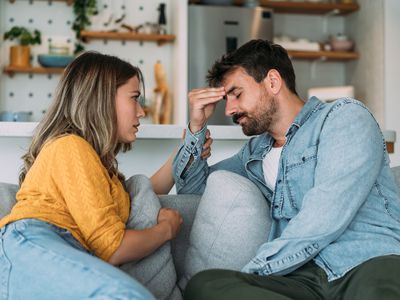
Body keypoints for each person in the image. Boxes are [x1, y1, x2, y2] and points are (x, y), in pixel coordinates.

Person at [172, 39, 400, 299]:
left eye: (236, 94)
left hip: (365, 263)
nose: (230, 110)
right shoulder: (256, 152)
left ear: (272, 81)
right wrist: (196, 127)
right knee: (205, 285)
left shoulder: (344, 117)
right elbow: (192, 191)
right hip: (304, 278)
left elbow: (323, 217)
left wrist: (255, 273)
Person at [0, 51, 212, 299]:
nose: (141, 112)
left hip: (57, 247)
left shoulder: (97, 167)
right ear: (101, 99)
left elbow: (145, 191)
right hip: (33, 241)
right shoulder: (69, 146)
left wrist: (188, 147)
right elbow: (113, 248)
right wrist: (166, 229)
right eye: (134, 98)